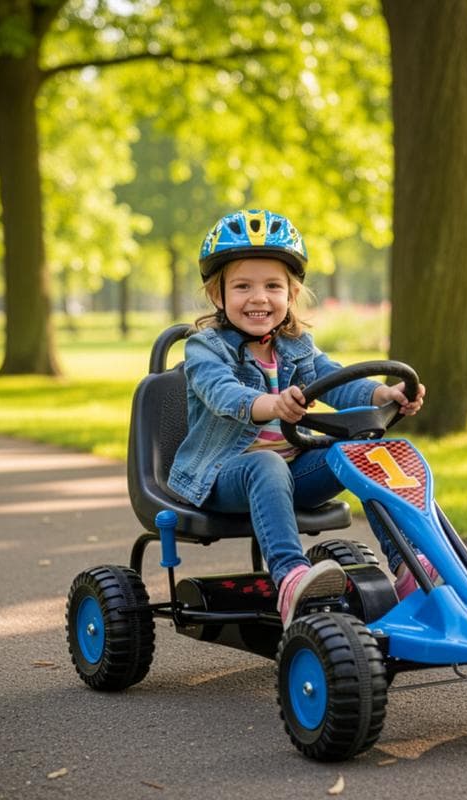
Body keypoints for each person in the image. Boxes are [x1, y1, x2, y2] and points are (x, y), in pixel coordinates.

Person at [168, 208, 436, 628]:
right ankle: (292, 577)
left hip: (294, 473)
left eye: (273, 286)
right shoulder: (205, 348)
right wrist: (272, 405)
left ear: (291, 294)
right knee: (265, 462)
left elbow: (333, 381)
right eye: (243, 286)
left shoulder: (296, 346)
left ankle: (413, 566)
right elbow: (222, 394)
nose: (259, 298)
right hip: (223, 476)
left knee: (365, 447)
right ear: (218, 296)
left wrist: (384, 393)